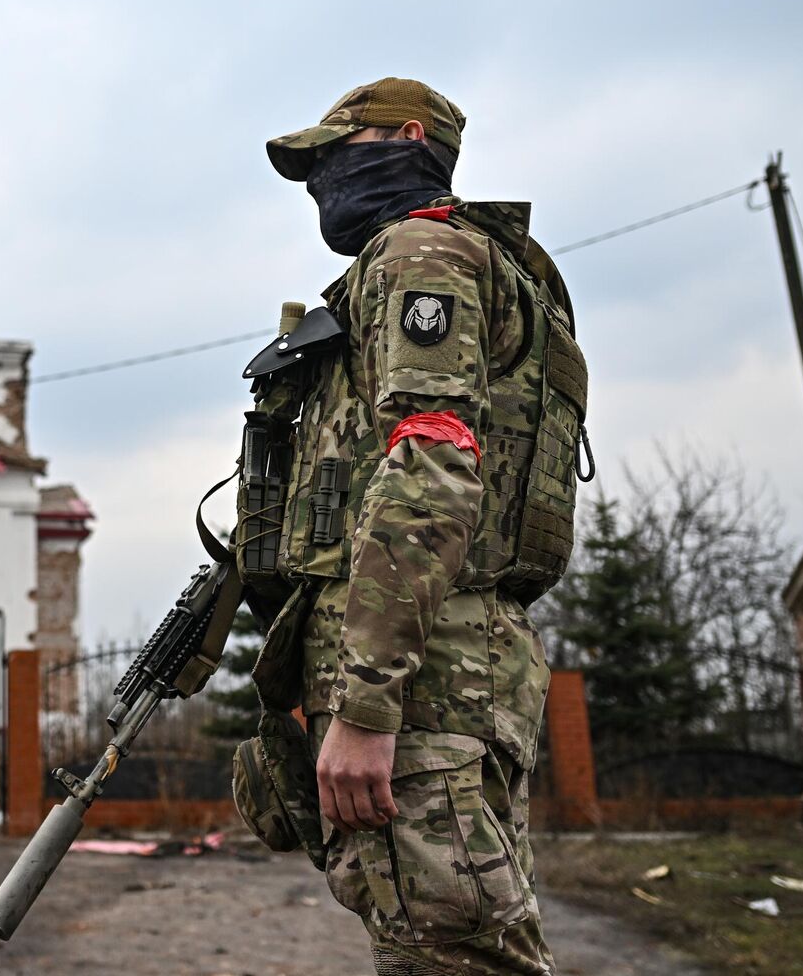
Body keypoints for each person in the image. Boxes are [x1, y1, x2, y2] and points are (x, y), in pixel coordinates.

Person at [251, 78, 590, 975]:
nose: (322, 179)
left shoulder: (421, 255)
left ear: (409, 137)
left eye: (336, 153)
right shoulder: (452, 261)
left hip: (424, 678)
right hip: (448, 666)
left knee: (453, 952)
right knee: (442, 942)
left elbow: (434, 460)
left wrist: (366, 705)